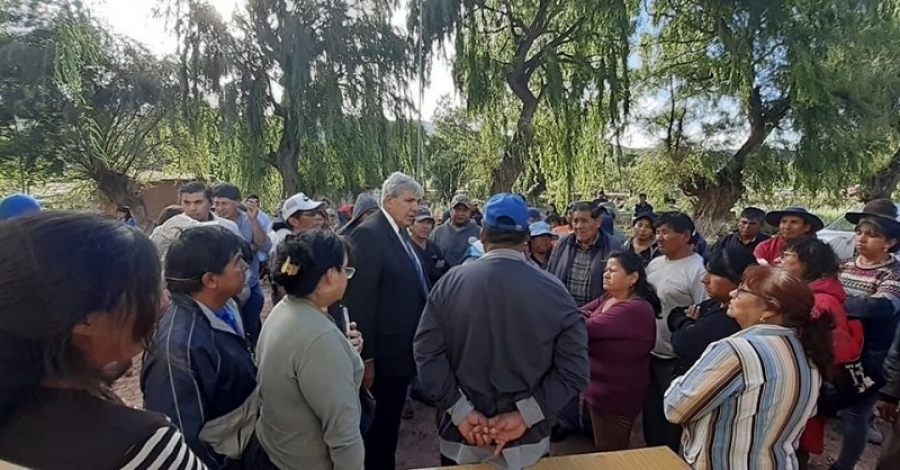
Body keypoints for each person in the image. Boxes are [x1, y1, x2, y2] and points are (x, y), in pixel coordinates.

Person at [0, 212, 202, 469]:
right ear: (85, 318)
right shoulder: (142, 446)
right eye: (147, 292)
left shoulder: (20, 404)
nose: (163, 302)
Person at [414, 193, 589, 468]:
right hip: (527, 443)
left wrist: (460, 411)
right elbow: (574, 369)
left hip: (461, 439)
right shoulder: (555, 292)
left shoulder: (449, 284)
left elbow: (427, 354)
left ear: (482, 234)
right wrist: (525, 416)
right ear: (526, 238)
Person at [664, 266, 834, 470]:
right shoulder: (807, 351)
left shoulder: (737, 350)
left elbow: (675, 408)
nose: (732, 293)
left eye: (742, 291)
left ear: (770, 309)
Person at [142, 225, 258, 468]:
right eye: (237, 261)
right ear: (210, 280)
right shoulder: (178, 349)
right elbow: (180, 438)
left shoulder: (227, 305)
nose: (245, 267)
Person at [252, 230, 364, 469]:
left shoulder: (285, 308)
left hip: (278, 451)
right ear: (331, 275)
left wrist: (344, 350)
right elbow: (344, 435)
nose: (348, 277)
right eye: (346, 270)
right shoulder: (320, 339)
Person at [343, 172, 429, 470]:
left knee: (389, 428)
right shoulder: (369, 235)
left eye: (418, 201)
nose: (415, 208)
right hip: (382, 360)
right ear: (389, 201)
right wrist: (366, 358)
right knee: (379, 432)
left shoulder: (399, 233)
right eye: (409, 201)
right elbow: (360, 301)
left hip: (400, 354)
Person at [777, 237, 864, 468]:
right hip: (807, 383)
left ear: (806, 264)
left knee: (793, 447)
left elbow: (825, 351)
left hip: (809, 385)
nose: (779, 261)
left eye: (787, 257)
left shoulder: (820, 302)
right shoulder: (809, 294)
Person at [833, 203, 900, 470]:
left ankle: (844, 465)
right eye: (859, 232)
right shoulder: (844, 265)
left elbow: (881, 306)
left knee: (855, 414)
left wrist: (835, 303)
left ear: (890, 242)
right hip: (837, 347)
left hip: (870, 356)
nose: (861, 239)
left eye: (871, 235)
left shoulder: (893, 273)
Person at [580, 251, 659, 452]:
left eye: (613, 271)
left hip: (617, 398)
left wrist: (584, 317)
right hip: (598, 391)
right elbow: (578, 314)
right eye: (605, 270)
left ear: (633, 278)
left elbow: (584, 327)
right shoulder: (609, 297)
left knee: (611, 451)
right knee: (601, 445)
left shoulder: (635, 309)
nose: (606, 274)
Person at [644, 211, 708, 452]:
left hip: (676, 359)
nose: (659, 237)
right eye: (658, 231)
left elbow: (702, 315)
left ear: (685, 236)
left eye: (666, 232)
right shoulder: (655, 263)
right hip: (649, 350)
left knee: (673, 418)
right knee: (651, 414)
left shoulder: (698, 270)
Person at [668, 247, 758, 375]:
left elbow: (683, 343)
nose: (704, 279)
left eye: (714, 274)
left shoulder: (733, 319)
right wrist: (688, 324)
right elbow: (675, 314)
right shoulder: (715, 303)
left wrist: (688, 324)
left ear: (738, 280)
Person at [212, 183, 272, 348]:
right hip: (223, 288)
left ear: (237, 202)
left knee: (252, 325)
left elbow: (264, 245)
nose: (220, 208)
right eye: (217, 204)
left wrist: (254, 221)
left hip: (249, 283)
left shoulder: (248, 219)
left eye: (224, 203)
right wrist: (249, 247)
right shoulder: (212, 223)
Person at [548, 201, 616, 307]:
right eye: (575, 221)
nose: (579, 226)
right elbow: (550, 274)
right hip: (563, 310)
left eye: (584, 221)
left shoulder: (613, 247)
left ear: (598, 223)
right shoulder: (563, 243)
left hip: (597, 312)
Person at [753, 206, 823, 266]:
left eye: (794, 222)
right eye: (784, 221)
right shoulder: (765, 247)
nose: (787, 226)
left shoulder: (816, 250)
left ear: (807, 227)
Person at [430, 194, 481, 267]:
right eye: (457, 209)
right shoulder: (437, 232)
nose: (460, 213)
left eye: (464, 210)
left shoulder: (479, 232)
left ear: (470, 212)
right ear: (450, 210)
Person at [410, 207, 450, 285]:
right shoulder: (405, 247)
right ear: (411, 225)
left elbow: (445, 269)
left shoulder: (434, 248)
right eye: (421, 222)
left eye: (428, 223)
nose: (425, 226)